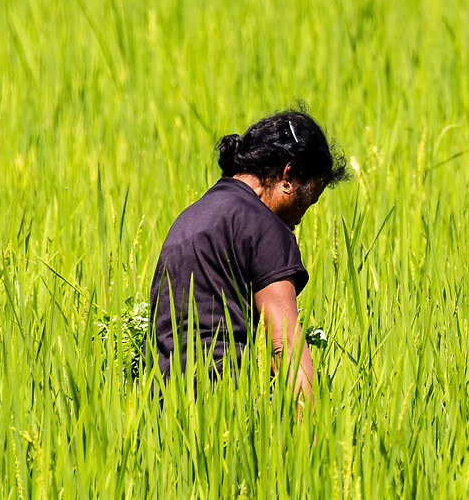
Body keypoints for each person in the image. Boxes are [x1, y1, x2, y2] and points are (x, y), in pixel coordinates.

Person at [147, 108, 349, 394]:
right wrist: (315, 434)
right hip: (226, 402)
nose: (300, 218)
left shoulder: (189, 218)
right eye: (307, 201)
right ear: (287, 176)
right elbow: (284, 346)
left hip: (162, 403)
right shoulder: (265, 227)